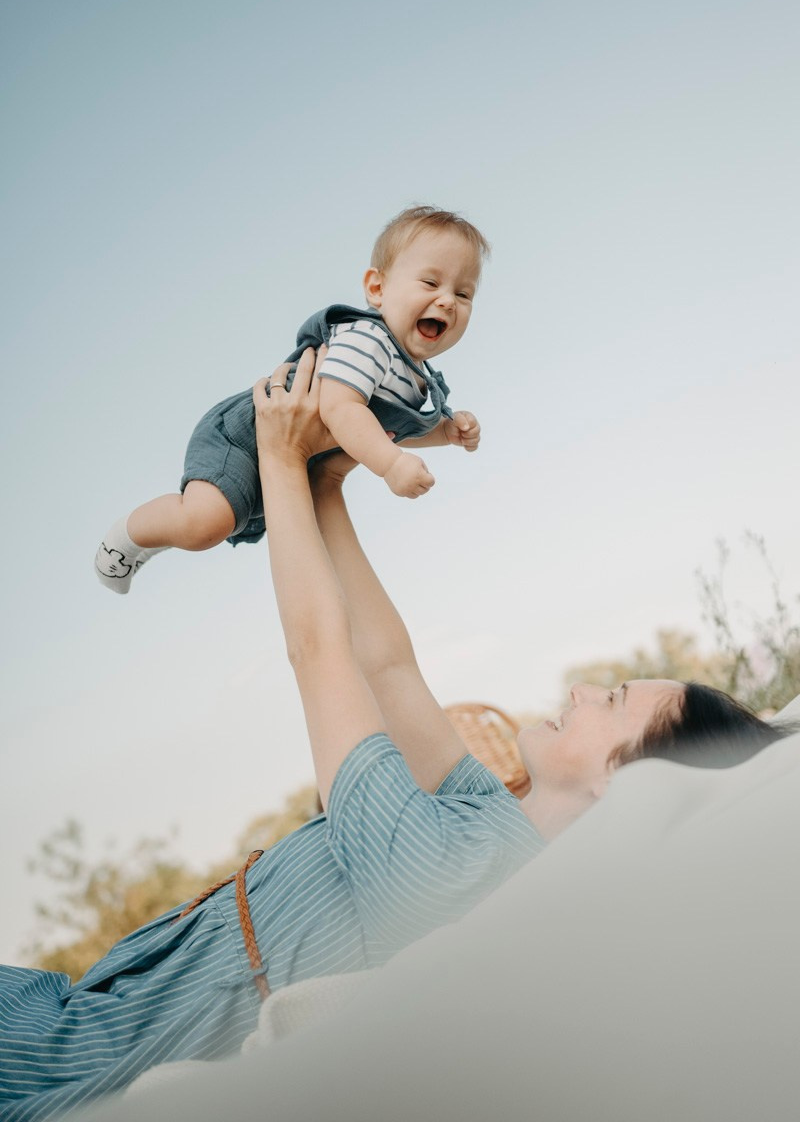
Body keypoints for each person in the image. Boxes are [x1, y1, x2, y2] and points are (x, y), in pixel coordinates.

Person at [1, 352, 791, 1122]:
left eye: (612, 701)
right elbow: (388, 666)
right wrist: (328, 484)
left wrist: (279, 467)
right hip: (92, 1000)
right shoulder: (493, 824)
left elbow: (322, 653)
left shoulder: (456, 877)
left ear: (627, 783)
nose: (582, 690)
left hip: (90, 1052)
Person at [94, 205, 487, 595]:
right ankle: (126, 538)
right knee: (203, 524)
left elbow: (388, 431)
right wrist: (391, 466)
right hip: (244, 438)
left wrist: (444, 432)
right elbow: (340, 408)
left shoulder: (415, 379)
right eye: (430, 283)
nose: (448, 301)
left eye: (463, 293)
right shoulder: (369, 340)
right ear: (377, 289)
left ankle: (165, 532)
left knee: (214, 524)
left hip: (291, 457)